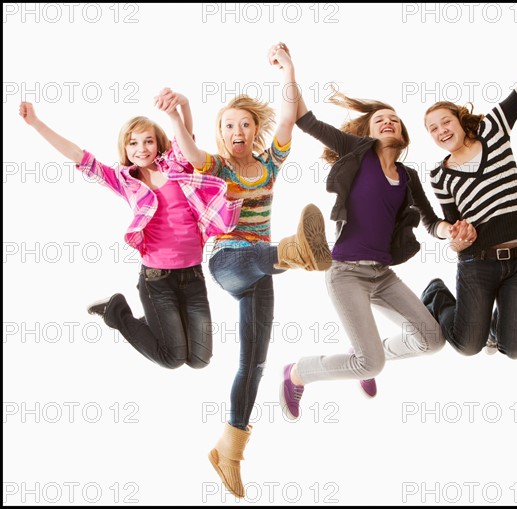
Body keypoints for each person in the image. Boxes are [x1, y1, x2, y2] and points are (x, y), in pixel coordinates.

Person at [154, 43, 331, 499]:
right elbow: (189, 152)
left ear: (254, 131)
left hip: (265, 266)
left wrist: (290, 68)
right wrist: (176, 119)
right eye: (228, 124)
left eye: (245, 123)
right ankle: (299, 251)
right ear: (222, 132)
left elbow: (289, 115)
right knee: (261, 254)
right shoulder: (214, 167)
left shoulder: (269, 164)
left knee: (253, 363)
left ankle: (228, 451)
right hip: (229, 261)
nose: (237, 129)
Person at [277, 47, 476, 421]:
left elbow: (431, 221)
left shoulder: (408, 178)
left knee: (432, 342)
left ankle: (370, 357)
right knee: (372, 363)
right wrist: (289, 69)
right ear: (368, 132)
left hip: (382, 276)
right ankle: (298, 372)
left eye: (395, 120)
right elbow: (305, 119)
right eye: (380, 119)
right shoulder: (358, 153)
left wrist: (453, 229)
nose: (388, 122)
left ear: (404, 135)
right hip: (347, 273)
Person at [18, 99, 242, 370]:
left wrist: (182, 105)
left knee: (199, 360)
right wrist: (36, 124)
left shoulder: (177, 168)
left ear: (158, 143)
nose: (141, 149)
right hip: (156, 280)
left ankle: (156, 320)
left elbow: (185, 135)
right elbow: (78, 155)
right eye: (133, 143)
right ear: (125, 148)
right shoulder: (125, 182)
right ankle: (116, 311)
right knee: (173, 359)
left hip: (193, 275)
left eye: (147, 141)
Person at [420, 14, 517, 359]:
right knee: (467, 346)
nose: (441, 130)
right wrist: (454, 236)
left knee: (516, 348)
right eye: (432, 129)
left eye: (445, 121)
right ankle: (435, 294)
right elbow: (449, 223)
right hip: (477, 261)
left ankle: (494, 327)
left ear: (459, 120)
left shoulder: (493, 129)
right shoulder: (439, 175)